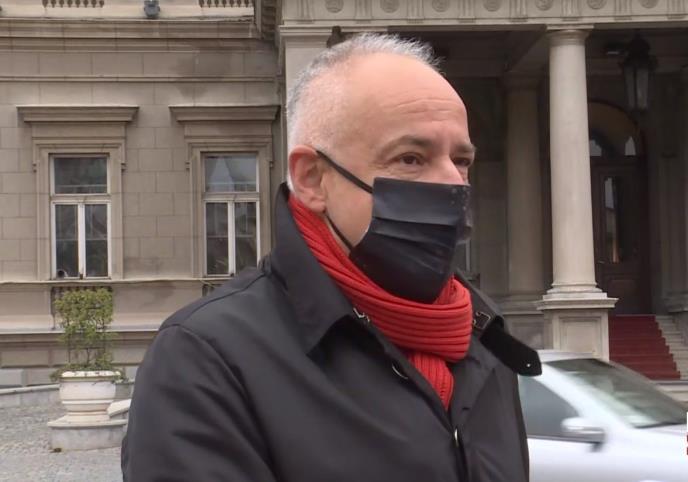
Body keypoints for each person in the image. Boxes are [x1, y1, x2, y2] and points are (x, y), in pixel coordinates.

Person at [122, 33, 540, 481]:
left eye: (461, 160)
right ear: (312, 179)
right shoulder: (206, 360)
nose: (452, 184)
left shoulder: (483, 341)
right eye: (411, 159)